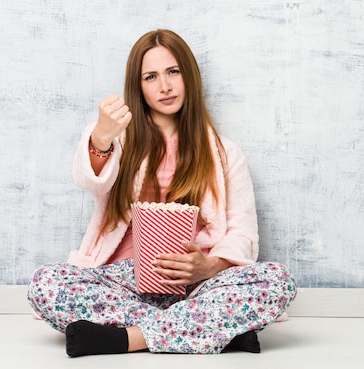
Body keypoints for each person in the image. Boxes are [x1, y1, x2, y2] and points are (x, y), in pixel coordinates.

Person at [27, 29, 296, 357]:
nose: (164, 86)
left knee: (277, 280)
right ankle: (214, 332)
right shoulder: (118, 142)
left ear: (189, 76)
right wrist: (100, 138)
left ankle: (126, 339)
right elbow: (91, 180)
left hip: (196, 286)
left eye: (173, 72)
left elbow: (243, 233)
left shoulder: (226, 154)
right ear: (138, 86)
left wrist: (207, 267)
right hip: (125, 281)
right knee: (46, 284)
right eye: (150, 77)